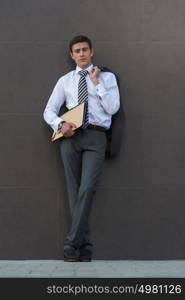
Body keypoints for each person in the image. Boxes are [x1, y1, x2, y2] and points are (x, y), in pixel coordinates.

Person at [43, 35, 120, 262]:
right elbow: (48, 110)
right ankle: (85, 246)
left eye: (85, 49)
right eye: (77, 51)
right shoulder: (65, 81)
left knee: (87, 189)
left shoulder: (107, 77)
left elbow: (113, 108)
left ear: (92, 51)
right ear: (72, 55)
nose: (81, 54)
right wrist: (60, 124)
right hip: (71, 138)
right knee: (73, 191)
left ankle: (70, 244)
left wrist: (97, 84)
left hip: (96, 136)